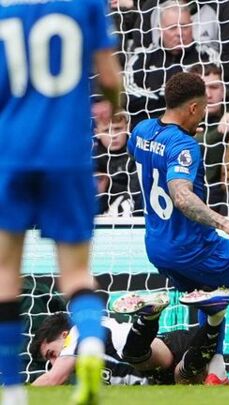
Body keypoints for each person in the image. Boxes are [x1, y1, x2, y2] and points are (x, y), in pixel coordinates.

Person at [0, 0, 122, 403]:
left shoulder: (5, 13)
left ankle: (12, 390)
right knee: (75, 273)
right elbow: (109, 76)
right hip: (68, 154)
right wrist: (113, 104)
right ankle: (90, 346)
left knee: (5, 272)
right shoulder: (84, 5)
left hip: (11, 153)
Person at [128, 72, 229, 385]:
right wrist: (225, 223)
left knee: (211, 295)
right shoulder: (184, 145)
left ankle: (215, 372)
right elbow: (181, 196)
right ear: (193, 108)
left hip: (157, 246)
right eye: (202, 108)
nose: (203, 115)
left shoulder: (141, 130)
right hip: (193, 246)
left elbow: (141, 156)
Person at [125, 2, 220, 127]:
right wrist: (171, 101)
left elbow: (212, 94)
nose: (179, 33)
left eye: (184, 27)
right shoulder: (141, 58)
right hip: (149, 126)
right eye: (173, 28)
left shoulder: (208, 56)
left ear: (192, 25)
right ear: (159, 29)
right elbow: (128, 94)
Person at [112, 290, 229, 385]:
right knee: (134, 356)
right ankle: (148, 318)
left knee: (184, 376)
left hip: (177, 351)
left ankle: (214, 319)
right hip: (178, 348)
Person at [31, 313, 147, 387]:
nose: (54, 363)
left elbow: (52, 379)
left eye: (52, 354)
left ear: (65, 335)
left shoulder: (77, 332)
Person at [94, 111, 143, 217]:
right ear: (97, 133)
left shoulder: (135, 153)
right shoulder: (93, 156)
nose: (113, 135)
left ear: (127, 127)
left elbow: (135, 194)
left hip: (131, 211)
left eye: (117, 129)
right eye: (106, 130)